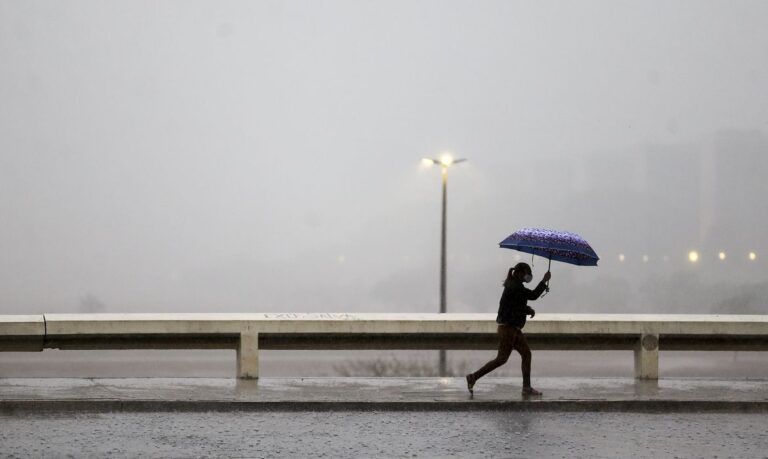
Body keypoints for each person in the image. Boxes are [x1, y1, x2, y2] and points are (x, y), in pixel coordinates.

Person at [465, 262, 551, 397]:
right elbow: (533, 295)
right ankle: (473, 377)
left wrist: (527, 309)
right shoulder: (515, 286)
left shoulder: (514, 285)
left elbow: (516, 305)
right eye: (526, 273)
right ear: (519, 273)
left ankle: (526, 387)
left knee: (525, 354)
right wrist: (544, 281)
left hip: (513, 329)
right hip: (508, 329)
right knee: (502, 359)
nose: (528, 276)